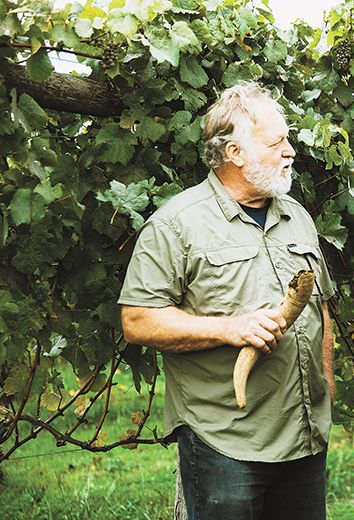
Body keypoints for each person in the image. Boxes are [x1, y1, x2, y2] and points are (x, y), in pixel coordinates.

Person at [119, 82, 335, 520]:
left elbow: (321, 309)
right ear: (235, 153)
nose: (290, 151)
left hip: (304, 435)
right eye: (276, 143)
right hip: (226, 442)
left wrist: (325, 387)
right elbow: (137, 320)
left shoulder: (297, 216)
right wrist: (228, 328)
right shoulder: (176, 226)